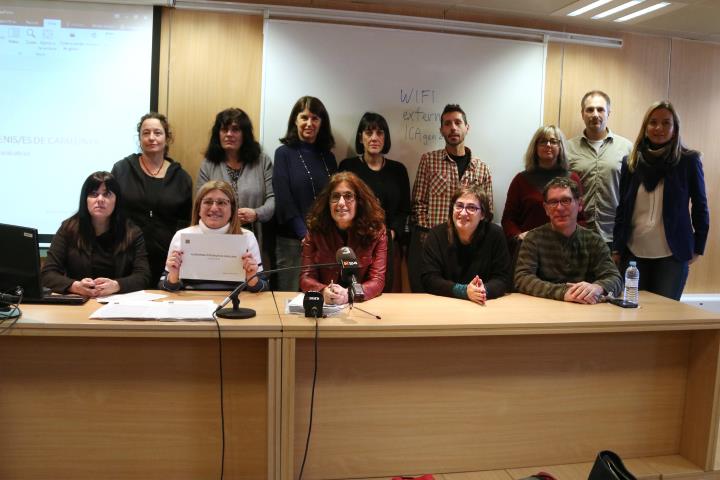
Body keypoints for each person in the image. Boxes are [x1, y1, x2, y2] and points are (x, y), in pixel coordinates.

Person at [612, 101, 709, 301]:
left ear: (675, 129)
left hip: (671, 256)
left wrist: (698, 247)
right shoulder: (630, 162)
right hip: (633, 255)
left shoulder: (688, 161)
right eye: (653, 122)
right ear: (645, 128)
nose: (659, 128)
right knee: (633, 314)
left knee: (665, 316)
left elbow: (700, 206)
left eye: (666, 123)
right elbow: (622, 208)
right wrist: (617, 247)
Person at [409, 103, 493, 292]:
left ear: (467, 127)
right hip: (435, 248)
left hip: (468, 250)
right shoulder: (429, 161)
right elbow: (418, 204)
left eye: (458, 122)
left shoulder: (481, 168)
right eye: (447, 124)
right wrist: (430, 238)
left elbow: (488, 212)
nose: (453, 128)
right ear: (441, 130)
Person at [112, 112, 192, 284]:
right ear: (139, 138)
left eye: (157, 132)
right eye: (146, 133)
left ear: (167, 138)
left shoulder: (181, 177)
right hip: (127, 256)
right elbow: (112, 212)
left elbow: (186, 221)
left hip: (168, 259)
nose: (151, 138)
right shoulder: (122, 169)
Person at [42, 171, 151, 297]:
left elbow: (143, 276)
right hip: (79, 303)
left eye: (107, 194)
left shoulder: (132, 232)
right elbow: (47, 274)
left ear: (116, 200)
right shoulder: (68, 229)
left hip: (118, 303)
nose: (100, 200)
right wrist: (75, 286)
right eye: (94, 194)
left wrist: (117, 285)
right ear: (85, 199)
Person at [514, 177, 622, 303]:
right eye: (553, 202)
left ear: (580, 204)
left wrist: (598, 287)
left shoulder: (594, 240)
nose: (559, 208)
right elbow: (522, 278)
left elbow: (615, 277)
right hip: (545, 310)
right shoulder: (533, 239)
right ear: (546, 208)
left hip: (585, 312)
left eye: (566, 200)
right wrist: (563, 292)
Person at [339, 112, 410, 292]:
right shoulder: (348, 167)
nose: (374, 138)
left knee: (389, 295)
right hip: (355, 243)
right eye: (369, 133)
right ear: (360, 137)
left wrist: (392, 233)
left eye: (380, 133)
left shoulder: (398, 170)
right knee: (356, 293)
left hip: (388, 244)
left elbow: (404, 209)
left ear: (385, 138)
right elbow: (341, 204)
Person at [273, 96, 337, 291]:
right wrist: (304, 234)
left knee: (323, 301)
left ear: (321, 123)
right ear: (295, 120)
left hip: (325, 242)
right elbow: (284, 199)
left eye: (315, 118)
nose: (309, 123)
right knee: (290, 302)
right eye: (304, 117)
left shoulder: (329, 157)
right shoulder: (283, 153)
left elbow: (333, 199)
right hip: (292, 241)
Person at [160, 180, 267, 292]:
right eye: (208, 202)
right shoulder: (181, 236)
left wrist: (252, 279)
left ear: (232, 209)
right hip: (192, 303)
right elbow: (163, 284)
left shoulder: (247, 237)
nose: (214, 208)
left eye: (221, 203)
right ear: (198, 208)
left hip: (235, 303)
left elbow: (263, 286)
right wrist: (173, 277)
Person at [299, 172, 387, 304]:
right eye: (335, 197)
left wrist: (348, 294)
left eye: (348, 196)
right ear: (327, 202)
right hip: (327, 305)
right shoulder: (315, 231)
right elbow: (306, 277)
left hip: (362, 305)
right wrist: (323, 291)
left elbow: (377, 280)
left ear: (359, 201)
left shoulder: (376, 232)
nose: (341, 203)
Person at [197, 108, 274, 254]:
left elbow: (273, 198)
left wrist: (257, 214)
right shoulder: (208, 164)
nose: (229, 134)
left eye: (235, 130)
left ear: (245, 134)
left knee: (252, 274)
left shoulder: (262, 161)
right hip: (215, 240)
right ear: (217, 134)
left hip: (255, 237)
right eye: (224, 130)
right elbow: (200, 202)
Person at [422, 185, 510, 305]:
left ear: (483, 214)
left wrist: (482, 291)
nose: (463, 213)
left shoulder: (495, 235)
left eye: (471, 208)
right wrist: (463, 291)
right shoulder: (436, 235)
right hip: (445, 304)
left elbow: (502, 278)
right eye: (459, 206)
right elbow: (429, 279)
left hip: (484, 305)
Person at [502, 125, 583, 256]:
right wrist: (519, 236)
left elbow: (581, 218)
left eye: (553, 141)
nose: (548, 145)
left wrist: (572, 238)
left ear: (560, 146)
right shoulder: (520, 180)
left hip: (565, 251)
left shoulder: (573, 179)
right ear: (535, 147)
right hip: (529, 250)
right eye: (543, 141)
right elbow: (508, 219)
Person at [566, 90, 632, 247]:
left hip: (614, 235)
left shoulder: (627, 148)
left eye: (600, 109)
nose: (595, 114)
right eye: (589, 109)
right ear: (582, 114)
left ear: (609, 112)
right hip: (577, 234)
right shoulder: (567, 148)